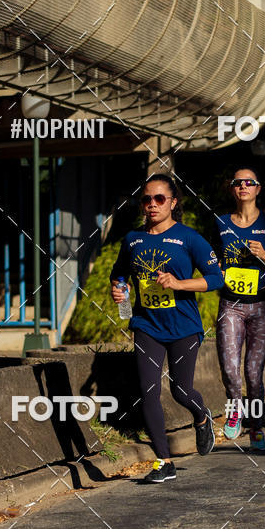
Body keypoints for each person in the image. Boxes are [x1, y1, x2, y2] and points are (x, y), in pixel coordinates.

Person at [110, 173, 224, 483]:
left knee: (180, 390)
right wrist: (118, 289)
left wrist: (179, 283)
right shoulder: (133, 239)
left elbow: (217, 278)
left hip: (183, 326)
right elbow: (119, 273)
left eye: (159, 199)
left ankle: (201, 417)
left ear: (172, 202)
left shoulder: (189, 238)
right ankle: (164, 461)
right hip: (147, 325)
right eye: (146, 199)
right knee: (148, 392)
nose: (152, 204)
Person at [214, 167, 265, 451]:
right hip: (230, 304)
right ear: (232, 189)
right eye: (238, 182)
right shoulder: (221, 223)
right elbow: (210, 259)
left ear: (258, 188)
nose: (243, 186)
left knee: (253, 371)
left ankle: (257, 427)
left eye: (250, 182)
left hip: (263, 305)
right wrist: (217, 270)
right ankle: (235, 410)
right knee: (230, 367)